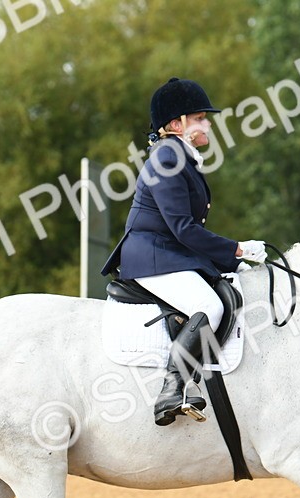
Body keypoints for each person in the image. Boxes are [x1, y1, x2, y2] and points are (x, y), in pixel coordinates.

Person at [101, 77, 266, 426]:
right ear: (177, 125)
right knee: (209, 305)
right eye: (200, 117)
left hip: (169, 252)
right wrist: (236, 249)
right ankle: (172, 388)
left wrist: (230, 259)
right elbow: (184, 229)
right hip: (152, 255)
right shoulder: (167, 157)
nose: (208, 123)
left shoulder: (180, 157)